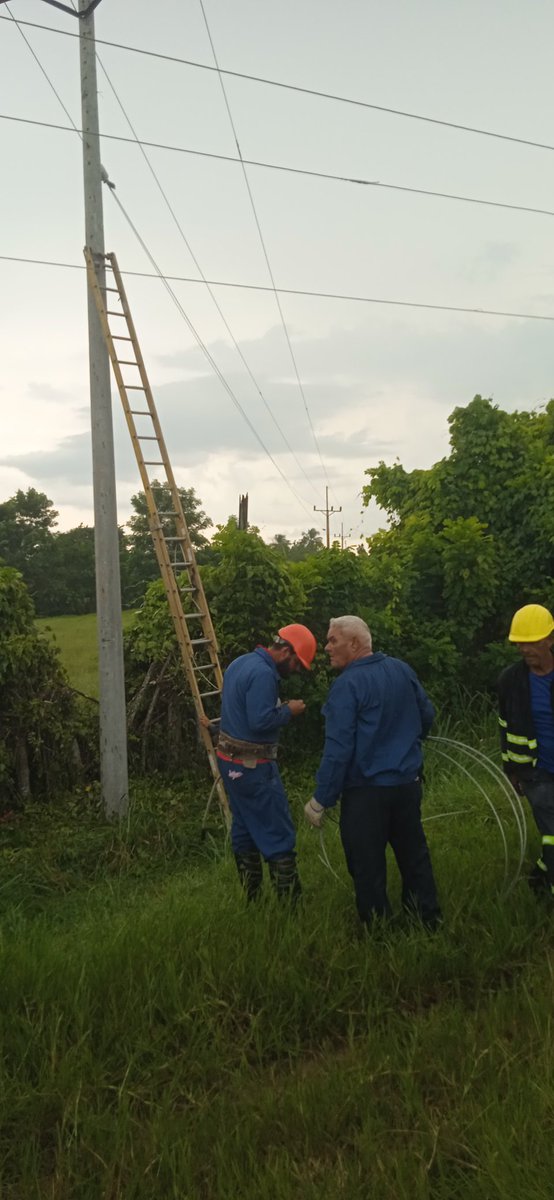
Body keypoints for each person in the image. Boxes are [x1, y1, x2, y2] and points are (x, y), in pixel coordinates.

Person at [304, 615, 441, 929]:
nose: (326, 647)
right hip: (407, 786)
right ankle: (427, 920)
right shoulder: (401, 670)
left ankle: (379, 932)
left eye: (332, 640)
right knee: (414, 856)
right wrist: (408, 744)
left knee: (367, 865)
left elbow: (338, 750)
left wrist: (320, 800)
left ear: (354, 643)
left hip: (366, 793)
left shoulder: (346, 686)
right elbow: (427, 714)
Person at [217, 623, 317, 902]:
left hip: (229, 763)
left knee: (245, 826)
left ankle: (253, 898)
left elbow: (238, 712)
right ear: (286, 651)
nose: (297, 670)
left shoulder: (241, 662)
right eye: (298, 663)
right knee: (277, 830)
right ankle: (291, 906)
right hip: (253, 768)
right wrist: (288, 711)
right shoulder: (263, 674)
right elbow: (259, 721)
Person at [498, 603, 554, 896]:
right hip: (537, 774)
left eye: (531, 643)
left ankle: (540, 879)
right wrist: (512, 770)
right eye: (519, 643)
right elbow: (505, 727)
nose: (524, 649)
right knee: (552, 832)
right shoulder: (511, 681)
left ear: (549, 640)